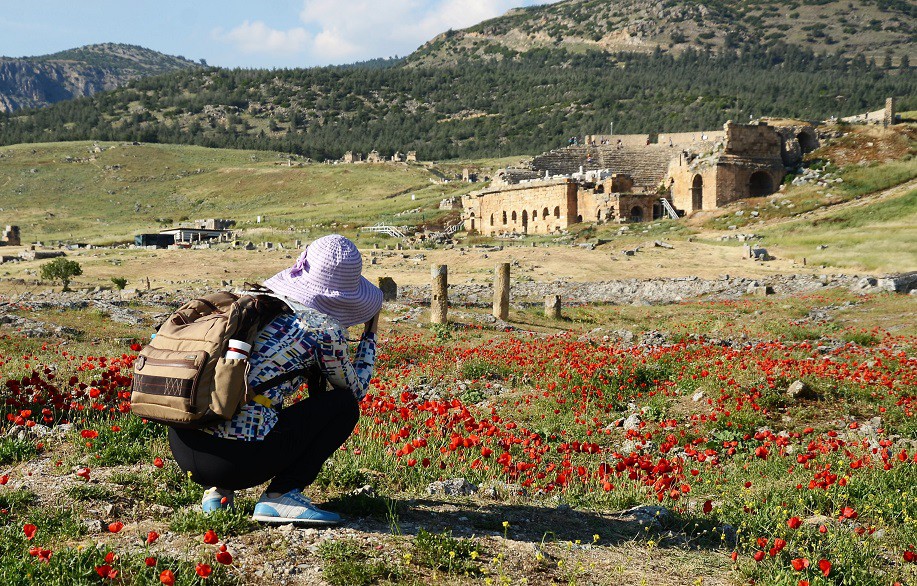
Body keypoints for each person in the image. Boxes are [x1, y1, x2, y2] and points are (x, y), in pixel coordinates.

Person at [167, 234, 382, 525]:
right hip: (236, 462)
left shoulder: (252, 307)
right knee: (343, 406)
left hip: (183, 444)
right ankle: (282, 496)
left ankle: (217, 493)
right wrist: (370, 334)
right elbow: (355, 390)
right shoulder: (321, 328)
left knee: (246, 393)